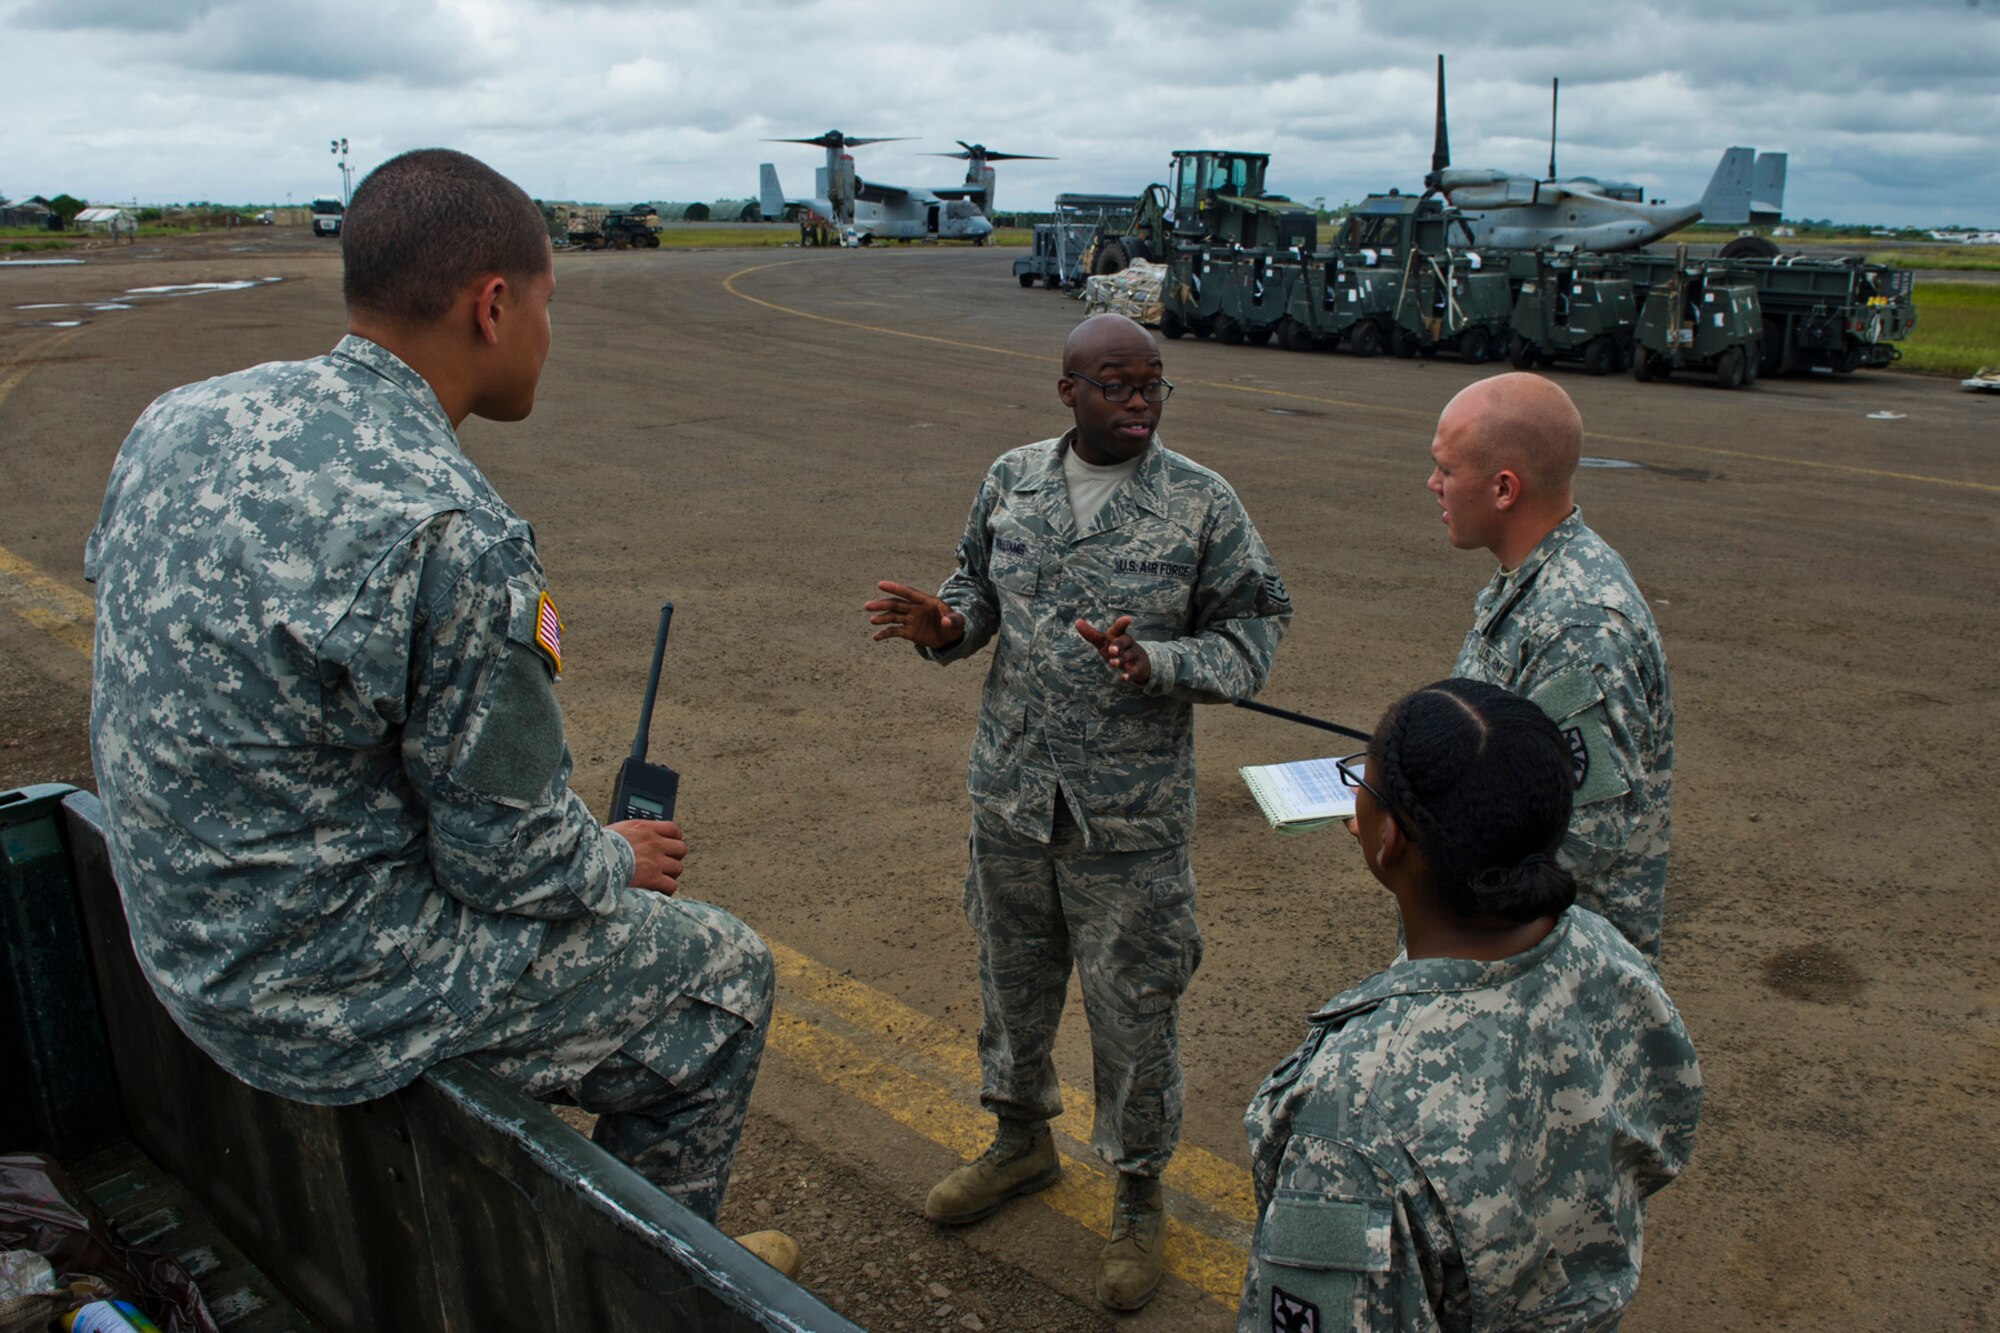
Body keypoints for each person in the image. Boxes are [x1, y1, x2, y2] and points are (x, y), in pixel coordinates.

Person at [83, 149, 795, 1275]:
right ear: (494, 304)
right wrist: (608, 858)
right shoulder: (452, 530)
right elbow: (507, 864)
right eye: (548, 305)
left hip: (174, 928)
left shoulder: (180, 419)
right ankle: (661, 1286)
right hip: (305, 989)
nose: (547, 337)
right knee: (721, 982)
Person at [865, 313, 1292, 1311]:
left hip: (1127, 819)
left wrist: (1161, 661)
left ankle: (1138, 1192)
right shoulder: (1010, 478)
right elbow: (971, 582)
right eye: (1114, 384)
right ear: (1068, 390)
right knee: (1010, 988)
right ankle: (1019, 1142)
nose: (1136, 401)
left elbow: (1253, 628)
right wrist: (948, 623)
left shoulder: (1199, 503)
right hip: (1012, 796)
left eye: (1151, 385)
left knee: (1133, 1013)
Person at [1240, 678, 1701, 1331]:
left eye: (1360, 783)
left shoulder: (1354, 1111)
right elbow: (1666, 1126)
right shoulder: (1603, 954)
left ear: (1387, 838)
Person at [1426, 372, 1674, 960]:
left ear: (1504, 489)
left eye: (1447, 469)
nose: (1433, 484)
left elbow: (1580, 837)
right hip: (1515, 951)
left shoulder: (1578, 626)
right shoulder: (1536, 577)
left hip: (1556, 978)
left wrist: (1418, 841)